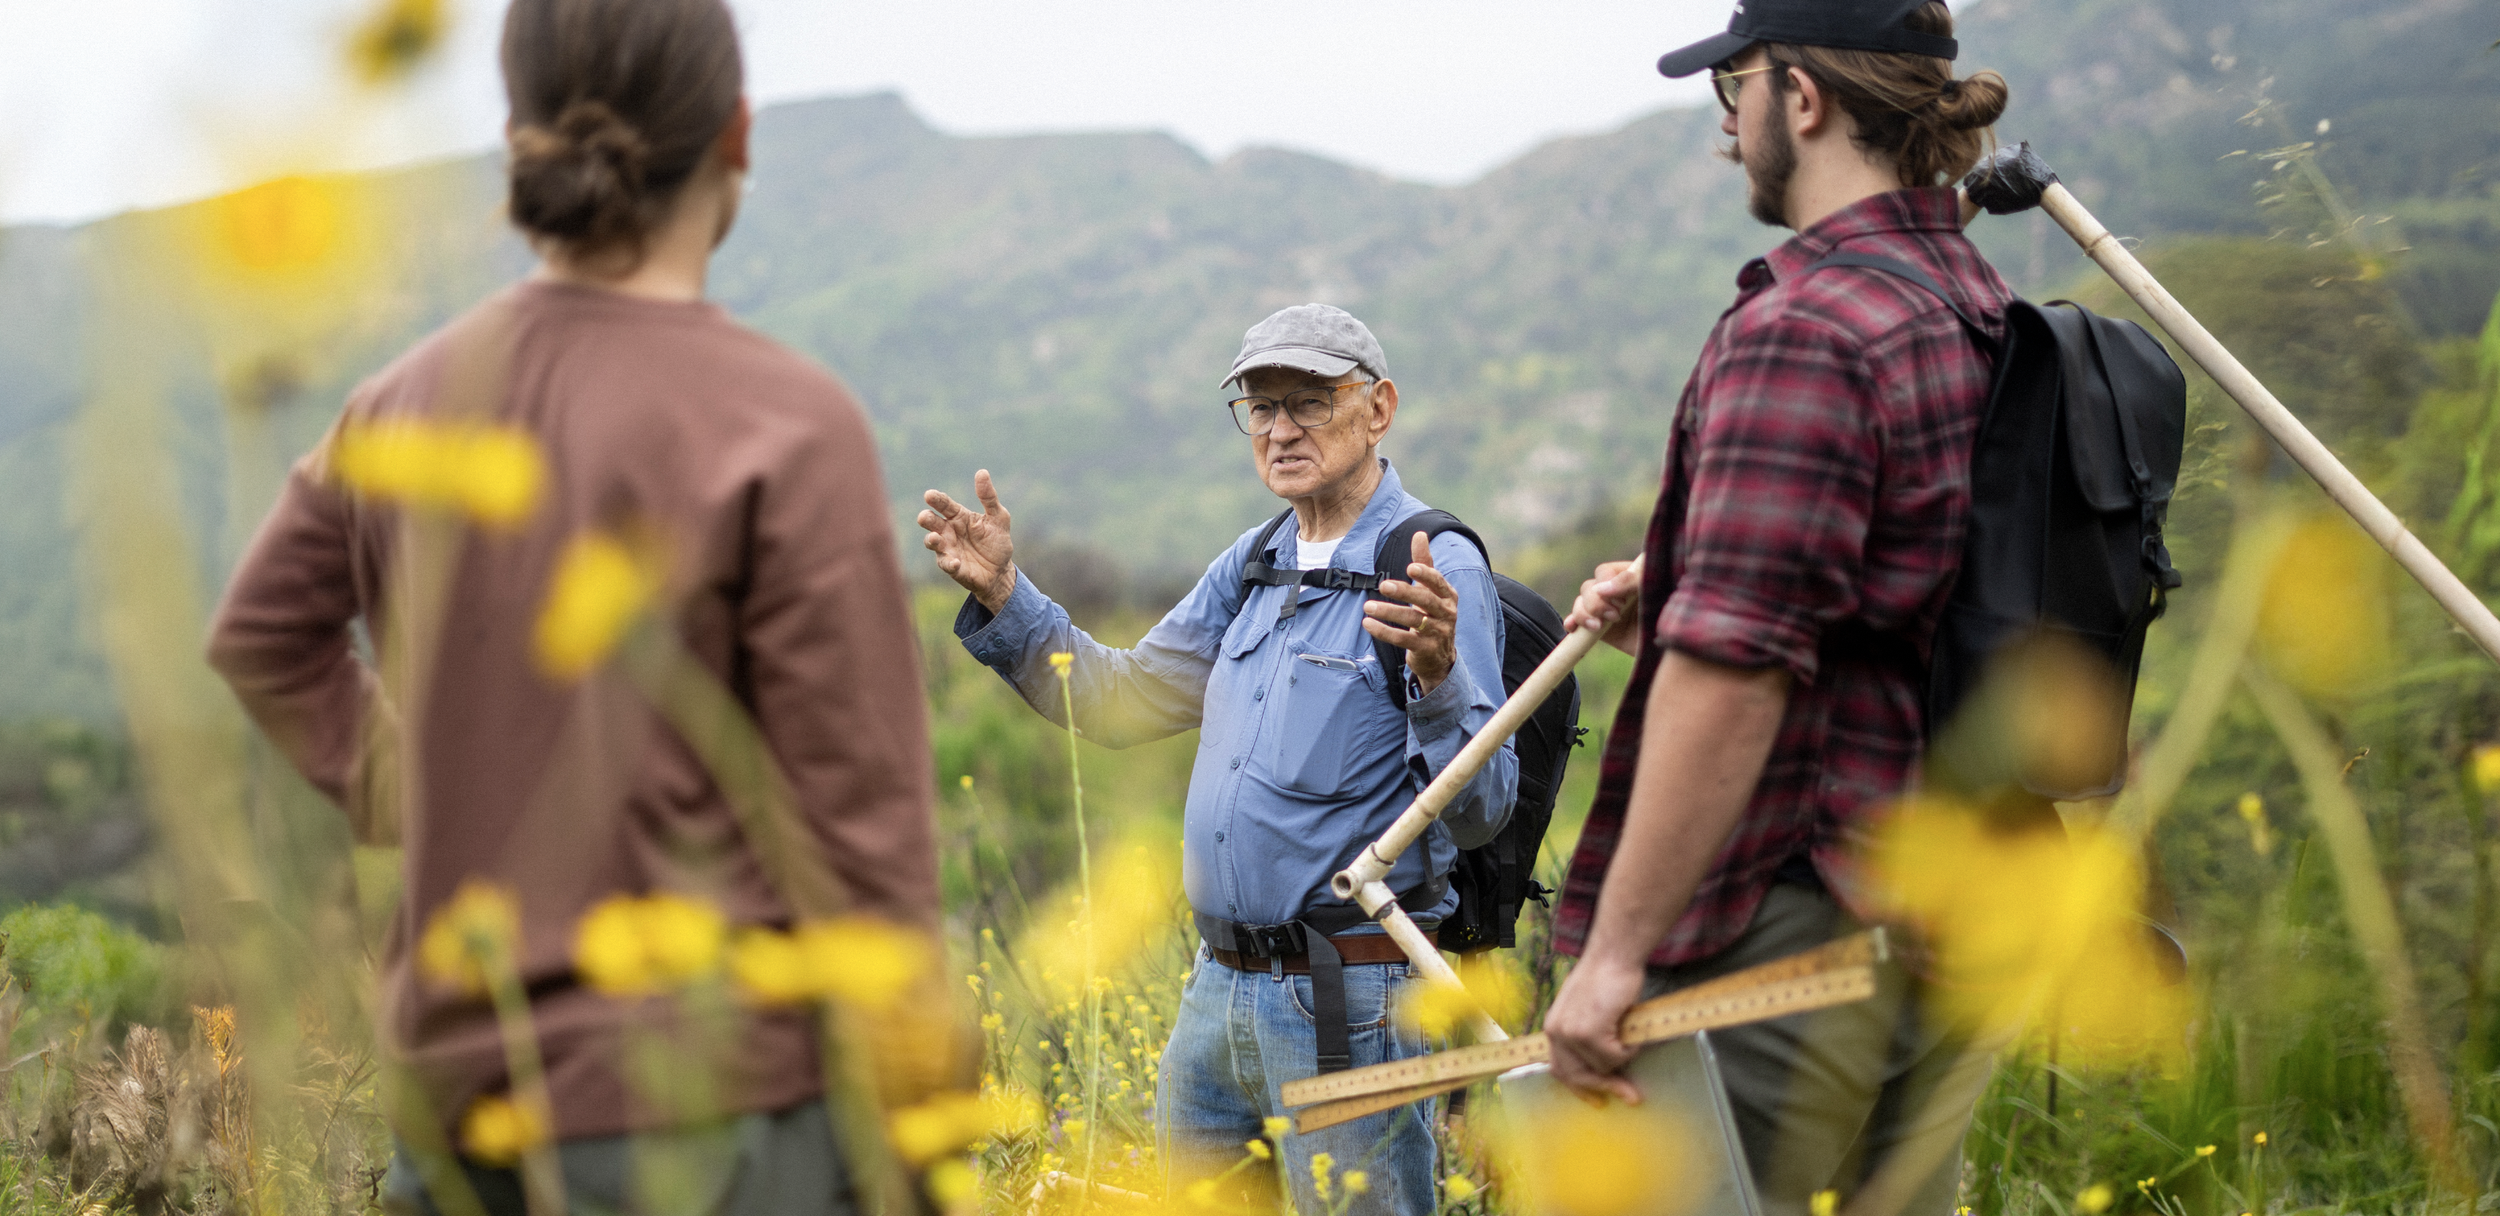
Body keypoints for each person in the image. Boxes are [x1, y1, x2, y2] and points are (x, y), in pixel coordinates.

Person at [206, 0, 937, 1211]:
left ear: (517, 136)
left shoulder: (401, 403)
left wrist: (415, 785)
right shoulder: (787, 423)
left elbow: (262, 636)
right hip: (720, 1120)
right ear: (737, 134)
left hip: (455, 1117)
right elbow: (864, 835)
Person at [1540, 3, 2013, 1215]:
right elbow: (1907, 600)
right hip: (1937, 916)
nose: (1724, 131)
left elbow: (1735, 673)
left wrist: (1612, 960)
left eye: (1731, 91)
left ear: (1799, 99)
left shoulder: (1804, 330)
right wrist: (1695, 588)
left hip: (1784, 920)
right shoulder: (1971, 303)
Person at [918, 304, 1516, 1216]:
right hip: (1214, 994)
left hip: (1349, 1000)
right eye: (1261, 407)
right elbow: (1119, 701)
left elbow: (1483, 811)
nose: (1280, 430)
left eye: (1309, 402)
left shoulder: (1432, 565)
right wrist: (1007, 594)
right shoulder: (1255, 563)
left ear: (1379, 406)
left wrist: (1436, 673)